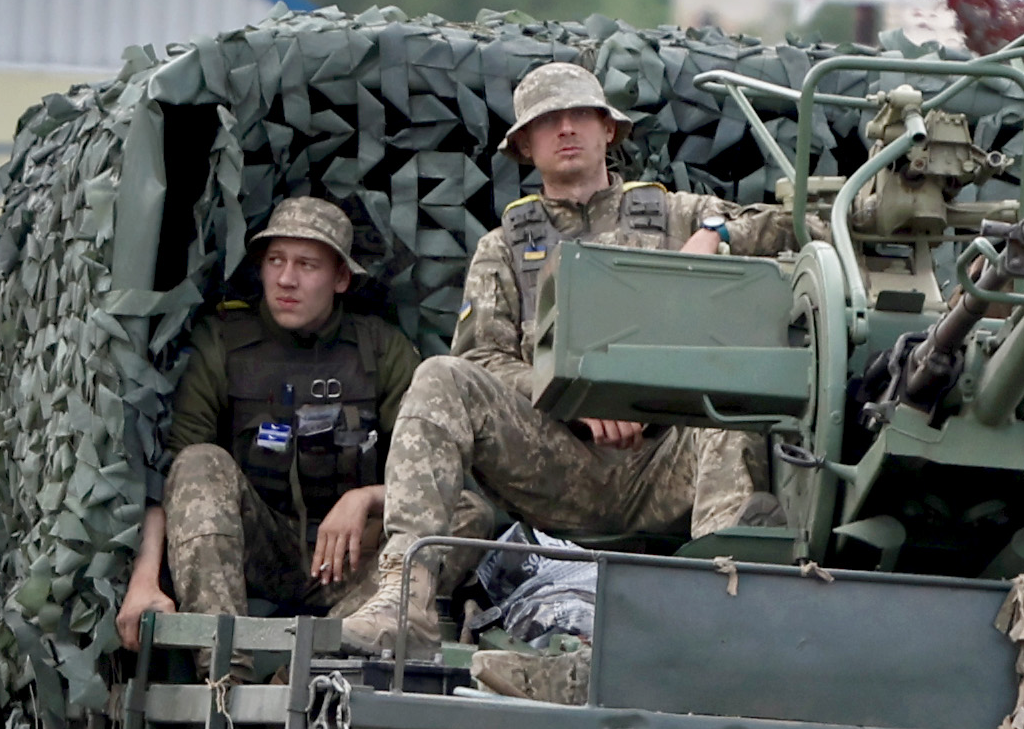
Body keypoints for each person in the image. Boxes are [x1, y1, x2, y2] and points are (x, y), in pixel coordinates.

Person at [343, 62, 794, 653]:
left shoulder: (675, 214)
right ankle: (405, 597)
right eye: (547, 122)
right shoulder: (503, 248)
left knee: (737, 398)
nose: (565, 130)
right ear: (525, 147)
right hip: (558, 467)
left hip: (670, 461)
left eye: (579, 115)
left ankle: (719, 610)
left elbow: (799, 223)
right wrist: (572, 396)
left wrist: (717, 232)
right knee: (440, 377)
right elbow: (483, 359)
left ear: (608, 130)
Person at [116, 198, 422, 649]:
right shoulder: (224, 341)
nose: (286, 279)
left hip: (356, 564)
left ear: (340, 278)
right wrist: (143, 580)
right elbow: (173, 477)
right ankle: (223, 671)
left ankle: (328, 648)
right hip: (258, 551)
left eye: (307, 265)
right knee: (200, 462)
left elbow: (431, 471)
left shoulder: (381, 349)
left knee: (461, 514)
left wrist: (367, 499)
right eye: (275, 260)